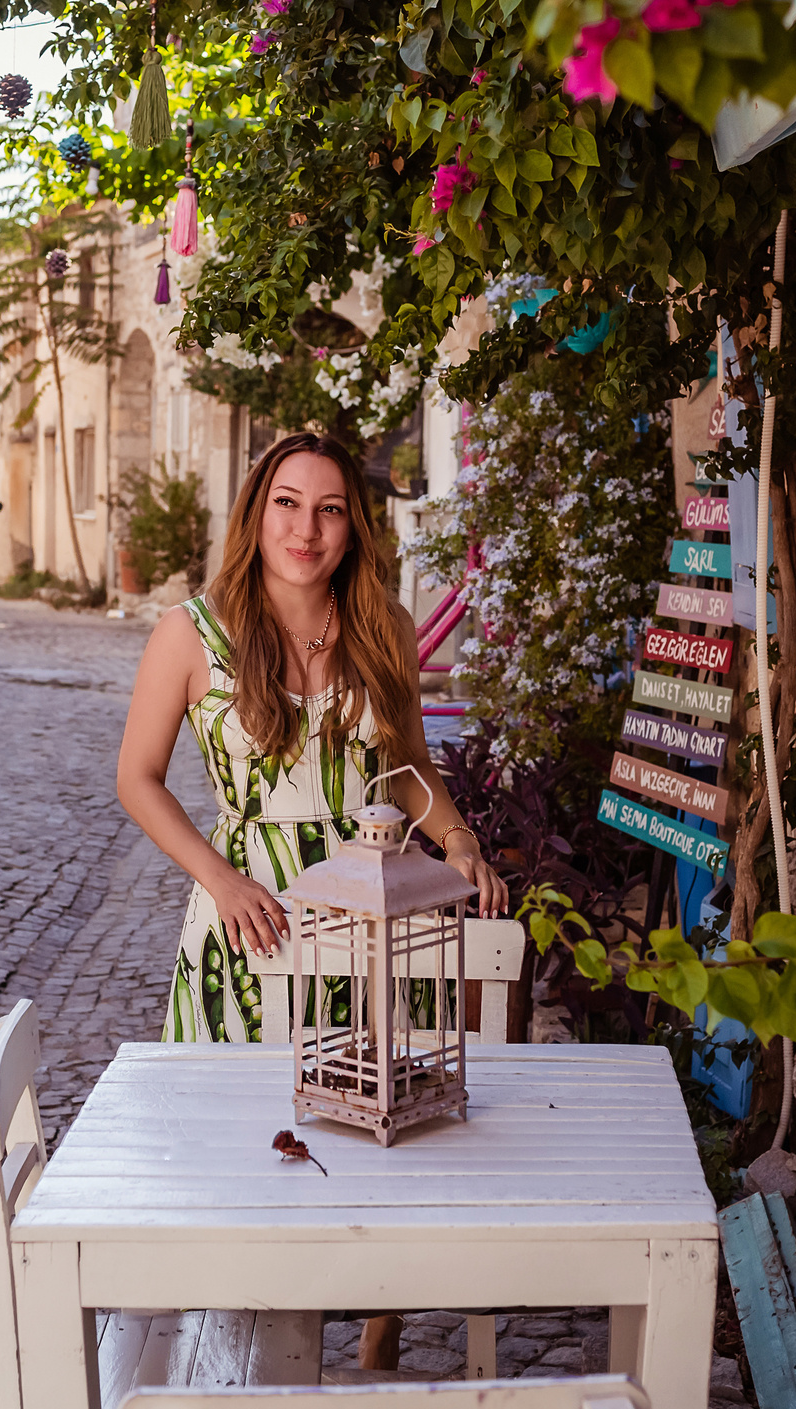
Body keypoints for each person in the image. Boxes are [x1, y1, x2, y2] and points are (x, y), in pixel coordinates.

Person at [118, 430, 509, 1041]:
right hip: (253, 910)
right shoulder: (188, 633)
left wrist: (459, 843)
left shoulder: (386, 628)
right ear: (255, 512)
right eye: (287, 503)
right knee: (238, 1120)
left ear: (352, 527)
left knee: (383, 1105)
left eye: (330, 510)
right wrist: (219, 880)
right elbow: (137, 780)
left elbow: (408, 767)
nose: (307, 530)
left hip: (378, 907)